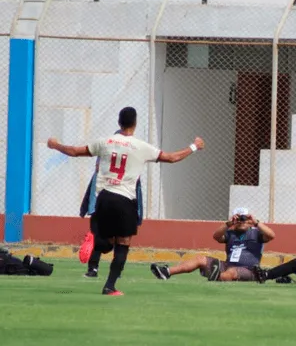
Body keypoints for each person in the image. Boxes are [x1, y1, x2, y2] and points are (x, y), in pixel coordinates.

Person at [47, 107, 205, 296]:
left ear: (119, 122)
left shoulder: (105, 142)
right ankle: (110, 286)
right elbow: (172, 158)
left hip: (103, 197)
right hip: (124, 199)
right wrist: (194, 146)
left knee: (107, 241)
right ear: (135, 123)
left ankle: (98, 240)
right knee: (123, 243)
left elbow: (74, 151)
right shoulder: (141, 146)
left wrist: (55, 144)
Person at [79, 129, 143, 279]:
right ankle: (96, 267)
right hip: (116, 200)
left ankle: (97, 266)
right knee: (117, 236)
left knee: (108, 235)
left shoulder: (110, 149)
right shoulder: (124, 151)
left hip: (110, 199)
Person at [151, 208, 276, 282]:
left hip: (249, 269)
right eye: (239, 219)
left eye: (244, 218)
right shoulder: (230, 233)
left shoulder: (256, 233)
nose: (241, 222)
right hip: (227, 265)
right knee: (200, 259)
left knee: (232, 272)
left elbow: (271, 235)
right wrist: (228, 224)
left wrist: (256, 222)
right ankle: (167, 272)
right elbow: (216, 236)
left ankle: (216, 277)